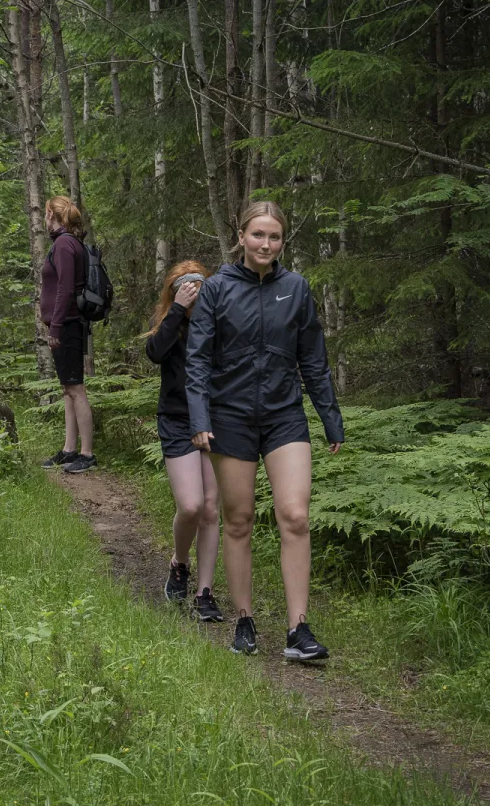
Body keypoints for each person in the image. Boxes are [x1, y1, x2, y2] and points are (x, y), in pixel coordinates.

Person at [186, 201, 344, 660]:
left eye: (274, 237)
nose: (266, 244)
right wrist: (200, 419)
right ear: (241, 236)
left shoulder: (296, 288)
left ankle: (298, 630)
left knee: (294, 515)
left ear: (282, 242)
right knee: (238, 521)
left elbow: (313, 359)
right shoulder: (215, 290)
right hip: (229, 416)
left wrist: (330, 418)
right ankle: (244, 618)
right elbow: (196, 359)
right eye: (258, 235)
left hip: (284, 416)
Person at [145, 261, 224, 622]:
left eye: (198, 285)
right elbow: (154, 353)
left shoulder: (217, 322)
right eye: (185, 286)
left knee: (210, 509)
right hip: (177, 420)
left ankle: (204, 592)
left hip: (215, 420)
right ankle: (179, 562)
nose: (193, 291)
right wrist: (177, 308)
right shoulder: (170, 322)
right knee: (190, 505)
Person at [38, 196, 97, 475]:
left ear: (52, 214)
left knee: (76, 388)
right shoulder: (70, 243)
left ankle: (86, 453)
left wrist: (56, 327)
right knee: (68, 389)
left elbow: (64, 289)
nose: (44, 218)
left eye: (46, 213)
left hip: (68, 325)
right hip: (69, 324)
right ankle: (69, 449)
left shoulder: (63, 244)